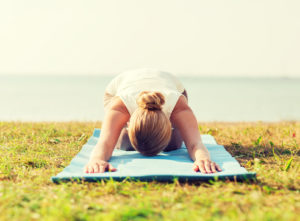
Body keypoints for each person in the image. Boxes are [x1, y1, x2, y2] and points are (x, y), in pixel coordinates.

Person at [84, 69, 222, 174]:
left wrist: (202, 159)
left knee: (175, 144)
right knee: (123, 143)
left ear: (169, 124)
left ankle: (170, 134)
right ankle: (128, 134)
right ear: (129, 123)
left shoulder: (178, 106)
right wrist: (97, 159)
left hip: (172, 85)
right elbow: (106, 143)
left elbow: (194, 143)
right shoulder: (119, 106)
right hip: (117, 90)